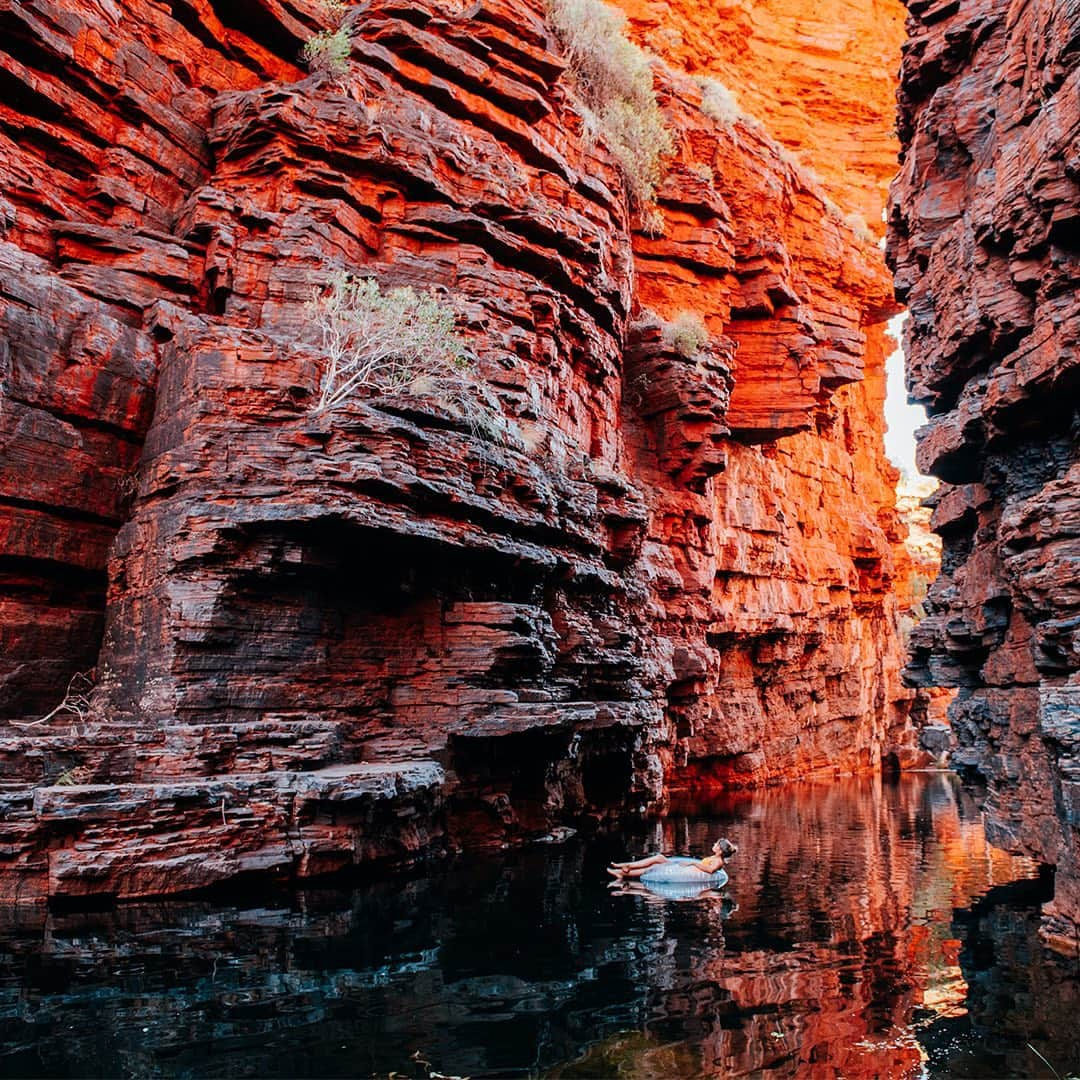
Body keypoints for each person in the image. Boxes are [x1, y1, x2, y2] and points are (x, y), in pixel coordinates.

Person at [607, 837, 737, 880]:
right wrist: (692, 863)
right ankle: (624, 868)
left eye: (716, 844)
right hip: (685, 868)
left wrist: (693, 864)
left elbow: (709, 870)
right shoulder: (715, 857)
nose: (713, 845)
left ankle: (623, 871)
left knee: (656, 864)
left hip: (685, 872)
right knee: (658, 858)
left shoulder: (718, 862)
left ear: (720, 850)